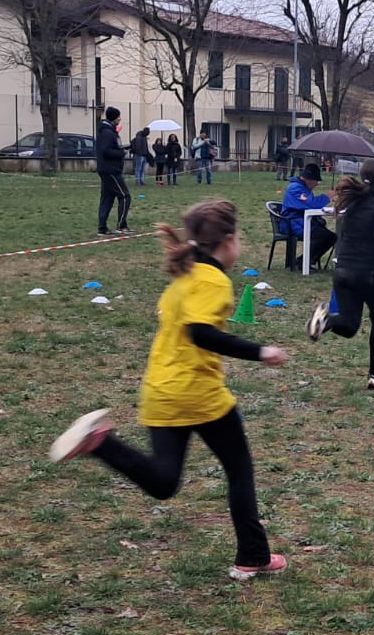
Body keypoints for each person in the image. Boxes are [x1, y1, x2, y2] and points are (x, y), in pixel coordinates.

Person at [49, 199, 289, 581]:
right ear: (228, 240)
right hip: (199, 394)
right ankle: (253, 556)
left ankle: (100, 443)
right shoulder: (212, 280)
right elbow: (200, 333)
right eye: (239, 237)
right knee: (239, 470)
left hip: (161, 390)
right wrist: (260, 352)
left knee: (163, 482)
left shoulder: (184, 276)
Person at [306, 160, 374, 389]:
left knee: (349, 326)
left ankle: (326, 321)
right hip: (371, 272)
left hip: (343, 270)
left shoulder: (352, 202)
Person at [280, 163, 337, 268]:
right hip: (292, 223)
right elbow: (311, 205)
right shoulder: (296, 188)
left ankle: (306, 261)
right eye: (316, 181)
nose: (317, 184)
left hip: (300, 221)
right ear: (309, 180)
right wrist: (327, 197)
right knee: (324, 236)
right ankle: (302, 263)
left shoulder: (302, 188)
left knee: (330, 236)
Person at [95, 106, 132, 236]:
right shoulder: (107, 133)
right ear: (114, 117)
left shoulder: (108, 131)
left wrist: (124, 148)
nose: (120, 119)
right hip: (111, 170)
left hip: (107, 169)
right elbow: (106, 151)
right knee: (125, 196)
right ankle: (121, 226)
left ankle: (102, 228)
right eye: (118, 117)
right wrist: (121, 153)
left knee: (107, 198)